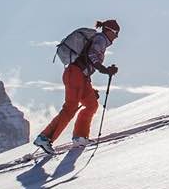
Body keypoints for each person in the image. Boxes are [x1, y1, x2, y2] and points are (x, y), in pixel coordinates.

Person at [35, 19, 120, 154]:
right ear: (109, 30)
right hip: (75, 73)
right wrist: (104, 69)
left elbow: (88, 61)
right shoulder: (100, 39)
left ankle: (80, 137)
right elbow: (92, 55)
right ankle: (44, 138)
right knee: (71, 107)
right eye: (116, 33)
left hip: (80, 76)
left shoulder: (100, 40)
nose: (116, 37)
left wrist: (91, 89)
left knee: (91, 104)